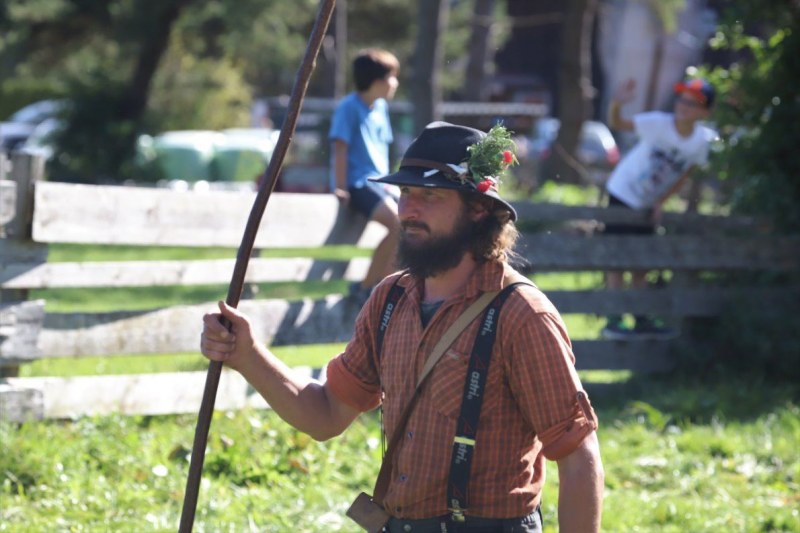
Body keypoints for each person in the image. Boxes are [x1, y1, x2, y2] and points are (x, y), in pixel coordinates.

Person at [201, 122, 604, 532]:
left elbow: (578, 457)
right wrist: (246, 355)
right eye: (405, 193)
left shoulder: (521, 315)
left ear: (478, 209)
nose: (408, 210)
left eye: (429, 196)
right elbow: (325, 415)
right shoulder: (390, 300)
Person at [601, 76, 717, 340]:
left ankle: (640, 317)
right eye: (682, 99)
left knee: (642, 263)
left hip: (646, 203)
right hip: (622, 192)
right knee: (617, 258)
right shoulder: (658, 123)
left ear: (705, 111)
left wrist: (660, 202)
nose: (684, 106)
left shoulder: (701, 141)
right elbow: (617, 122)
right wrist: (617, 103)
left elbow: (685, 173)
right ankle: (613, 320)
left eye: (693, 102)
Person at [330, 48, 402, 307]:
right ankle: (365, 288)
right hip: (358, 183)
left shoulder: (381, 108)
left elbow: (382, 149)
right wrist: (340, 187)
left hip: (381, 184)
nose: (396, 83)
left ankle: (382, 290)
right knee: (398, 225)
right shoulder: (349, 107)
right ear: (377, 80)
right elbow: (340, 147)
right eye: (392, 77)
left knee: (411, 225)